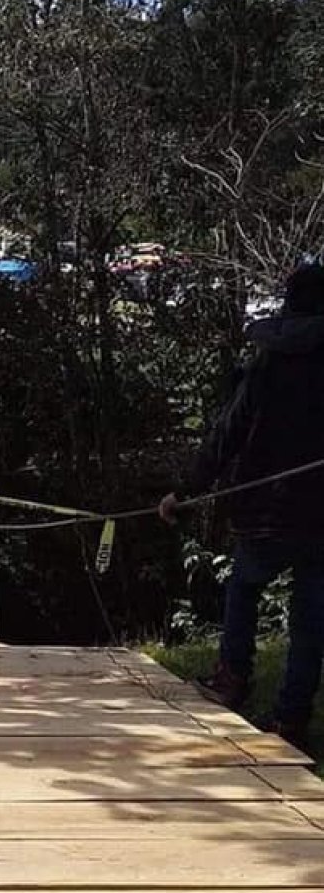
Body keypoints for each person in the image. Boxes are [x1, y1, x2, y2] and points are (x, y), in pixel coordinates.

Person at [159, 262, 324, 746]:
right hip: (318, 518)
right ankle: (290, 718)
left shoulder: (269, 365)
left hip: (268, 510)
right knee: (311, 620)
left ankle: (232, 678)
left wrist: (185, 491)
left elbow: (227, 434)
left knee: (246, 588)